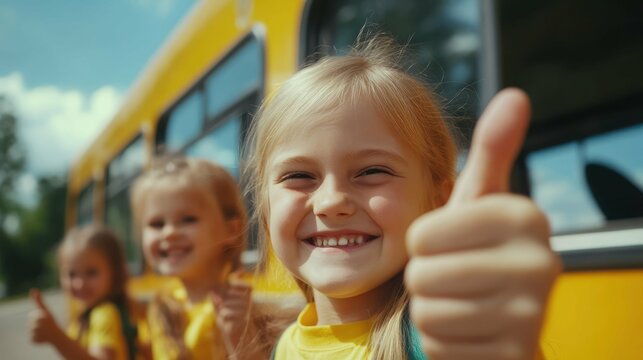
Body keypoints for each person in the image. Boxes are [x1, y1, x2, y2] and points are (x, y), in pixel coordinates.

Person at [243, 33, 561, 359]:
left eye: (372, 172)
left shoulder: (437, 339)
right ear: (266, 212)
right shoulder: (284, 346)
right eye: (299, 176)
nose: (331, 202)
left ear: (439, 201)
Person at [131, 156, 264, 359]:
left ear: (231, 230)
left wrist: (241, 340)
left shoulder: (238, 309)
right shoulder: (162, 304)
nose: (169, 233)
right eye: (156, 224)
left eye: (188, 219)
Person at [28, 224, 142, 360]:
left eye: (91, 272)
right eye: (71, 274)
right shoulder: (84, 316)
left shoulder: (105, 314)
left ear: (114, 272)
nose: (80, 283)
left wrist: (57, 338)